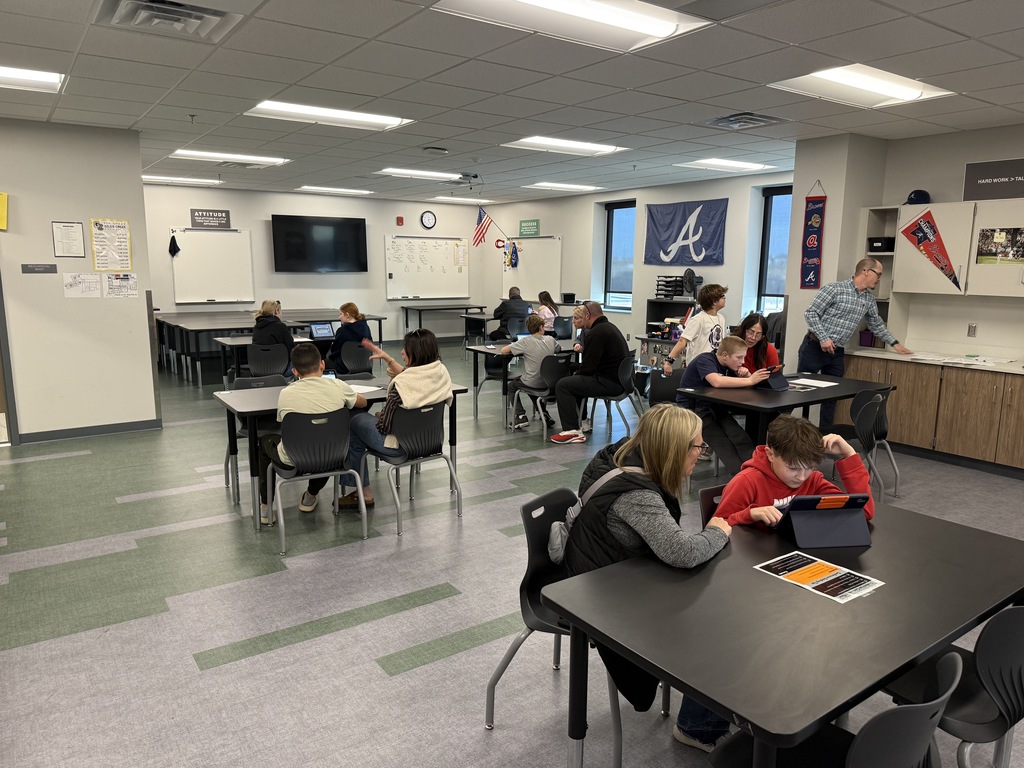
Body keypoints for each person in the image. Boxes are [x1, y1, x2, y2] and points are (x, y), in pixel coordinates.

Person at [563, 404, 732, 746]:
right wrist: (718, 530)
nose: (701, 453)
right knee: (714, 624)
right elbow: (681, 552)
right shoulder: (636, 494)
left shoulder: (620, 454)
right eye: (698, 447)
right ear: (673, 450)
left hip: (601, 570)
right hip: (600, 593)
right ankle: (698, 728)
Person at [338, 329, 453, 509]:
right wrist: (387, 358)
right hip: (430, 441)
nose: (401, 352)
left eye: (405, 350)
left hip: (399, 447)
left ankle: (363, 493)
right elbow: (415, 378)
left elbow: (384, 427)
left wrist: (379, 416)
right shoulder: (440, 371)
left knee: (353, 421)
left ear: (415, 353)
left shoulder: (400, 385)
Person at [256, 343, 368, 526]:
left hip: (294, 458)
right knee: (324, 442)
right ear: (322, 365)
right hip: (334, 455)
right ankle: (310, 496)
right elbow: (362, 403)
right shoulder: (339, 386)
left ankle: (265, 506)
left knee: (264, 442)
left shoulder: (286, 393)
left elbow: (281, 421)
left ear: (294, 372)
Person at [800, 258, 912, 431]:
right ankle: (778, 434)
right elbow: (811, 313)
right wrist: (823, 337)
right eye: (879, 274)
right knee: (798, 393)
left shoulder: (868, 299)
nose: (879, 279)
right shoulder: (835, 289)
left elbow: (876, 324)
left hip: (836, 353)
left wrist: (894, 343)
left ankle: (824, 439)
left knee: (831, 398)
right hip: (814, 347)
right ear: (866, 271)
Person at [714, 414, 875, 527]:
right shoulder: (747, 482)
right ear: (770, 454)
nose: (801, 477)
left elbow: (862, 513)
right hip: (751, 562)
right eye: (792, 468)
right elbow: (714, 529)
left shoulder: (814, 481)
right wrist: (749, 514)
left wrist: (849, 454)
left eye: (810, 467)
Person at [676, 335, 770, 475]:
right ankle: (744, 480)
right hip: (693, 411)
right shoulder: (705, 359)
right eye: (739, 357)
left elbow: (738, 384)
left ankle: (760, 473)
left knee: (741, 438)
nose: (742, 362)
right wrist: (750, 380)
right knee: (725, 446)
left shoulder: (728, 365)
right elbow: (717, 382)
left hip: (713, 407)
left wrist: (746, 375)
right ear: (725, 355)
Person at [550, 301, 629, 444]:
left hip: (609, 383)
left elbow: (588, 367)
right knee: (575, 374)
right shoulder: (609, 328)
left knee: (563, 385)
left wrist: (577, 374)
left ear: (587, 316)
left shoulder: (596, 333)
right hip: (620, 381)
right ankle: (582, 419)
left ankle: (572, 430)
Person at [502, 314, 561, 430]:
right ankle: (544, 414)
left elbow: (504, 351)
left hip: (534, 381)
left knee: (512, 386)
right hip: (550, 382)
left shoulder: (525, 341)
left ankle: (520, 416)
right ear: (541, 327)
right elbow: (558, 349)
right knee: (530, 382)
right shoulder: (551, 339)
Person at [662, 284, 728, 375]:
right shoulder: (698, 319)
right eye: (722, 296)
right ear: (714, 301)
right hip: (698, 366)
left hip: (714, 365)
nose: (725, 297)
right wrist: (668, 362)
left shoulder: (721, 318)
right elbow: (682, 341)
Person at [327, 302, 372, 373]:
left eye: (340, 314)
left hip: (344, 366)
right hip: (365, 365)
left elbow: (334, 350)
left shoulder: (342, 331)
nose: (339, 317)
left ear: (347, 315)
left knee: (323, 362)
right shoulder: (366, 328)